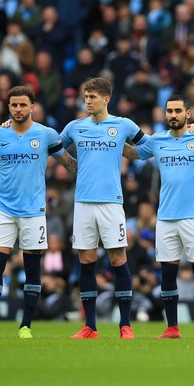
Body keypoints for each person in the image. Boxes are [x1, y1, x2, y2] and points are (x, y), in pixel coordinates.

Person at [0, 86, 77, 338]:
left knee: (32, 269)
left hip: (34, 212)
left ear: (32, 107)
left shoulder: (46, 135)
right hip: (3, 210)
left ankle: (26, 325)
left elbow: (67, 162)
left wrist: (94, 173)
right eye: (14, 105)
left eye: (22, 105)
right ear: (8, 107)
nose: (18, 109)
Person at [125, 94, 194, 339]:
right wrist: (111, 140)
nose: (173, 115)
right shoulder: (158, 141)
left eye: (178, 110)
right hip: (165, 218)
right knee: (167, 273)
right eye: (169, 111)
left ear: (188, 114)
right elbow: (134, 154)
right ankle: (172, 327)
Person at [59, 77, 146, 340]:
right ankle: (90, 327)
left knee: (118, 259)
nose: (87, 101)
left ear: (106, 99)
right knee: (86, 261)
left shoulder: (123, 125)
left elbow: (150, 146)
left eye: (92, 97)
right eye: (85, 97)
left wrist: (127, 151)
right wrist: (73, 166)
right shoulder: (75, 127)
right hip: (83, 203)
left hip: (111, 203)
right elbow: (51, 148)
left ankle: (125, 325)